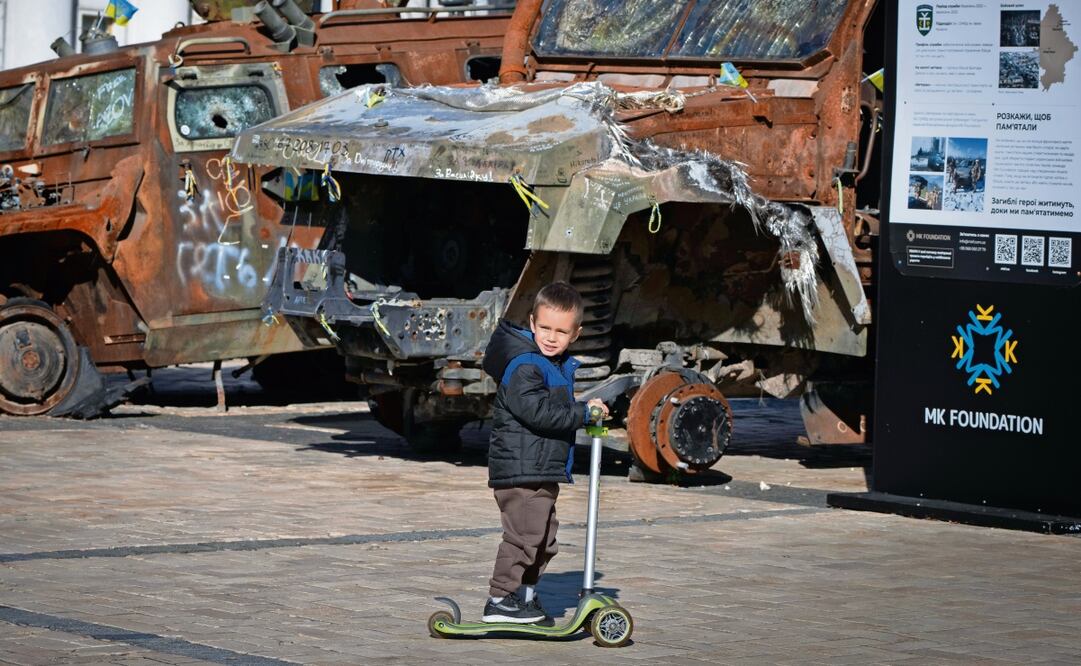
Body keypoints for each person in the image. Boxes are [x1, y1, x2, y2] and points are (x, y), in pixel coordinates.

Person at [479, 281, 608, 624]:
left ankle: (526, 598)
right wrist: (583, 414)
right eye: (545, 328)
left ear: (575, 334)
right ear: (533, 324)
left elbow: (552, 408)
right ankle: (499, 600)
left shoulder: (552, 366)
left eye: (561, 331)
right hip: (521, 472)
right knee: (523, 537)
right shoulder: (525, 366)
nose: (552, 337)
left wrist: (585, 408)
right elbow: (540, 413)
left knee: (544, 539)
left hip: (540, 470)